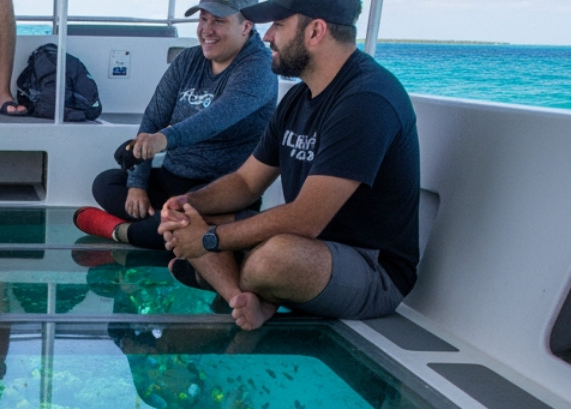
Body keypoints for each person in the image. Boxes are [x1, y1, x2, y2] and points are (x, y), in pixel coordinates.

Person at [160, 0, 420, 331]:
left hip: (371, 268)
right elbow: (246, 183)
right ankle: (243, 298)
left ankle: (232, 279)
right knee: (192, 221)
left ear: (315, 31)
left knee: (274, 258)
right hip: (307, 244)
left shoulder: (367, 99)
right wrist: (187, 204)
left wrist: (210, 241)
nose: (267, 36)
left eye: (279, 26)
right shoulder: (299, 98)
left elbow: (306, 219)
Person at [74, 1, 275, 251]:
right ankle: (175, 227)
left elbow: (216, 119)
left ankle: (131, 232)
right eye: (203, 19)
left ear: (246, 26)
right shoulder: (189, 59)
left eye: (219, 21)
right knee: (105, 183)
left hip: (218, 189)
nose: (206, 30)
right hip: (172, 178)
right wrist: (137, 184)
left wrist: (165, 138)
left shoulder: (259, 68)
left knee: (187, 213)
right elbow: (153, 119)